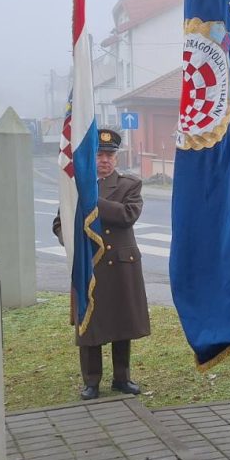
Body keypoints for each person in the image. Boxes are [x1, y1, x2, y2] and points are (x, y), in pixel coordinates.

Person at [52, 128, 151, 401]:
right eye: (99, 154)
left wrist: (91, 200)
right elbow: (59, 222)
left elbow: (127, 215)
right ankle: (91, 381)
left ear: (116, 159)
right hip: (89, 264)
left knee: (122, 325)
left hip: (120, 265)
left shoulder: (129, 185)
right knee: (90, 325)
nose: (104, 160)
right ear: (90, 158)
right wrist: (69, 241)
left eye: (109, 155)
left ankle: (122, 378)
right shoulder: (73, 188)